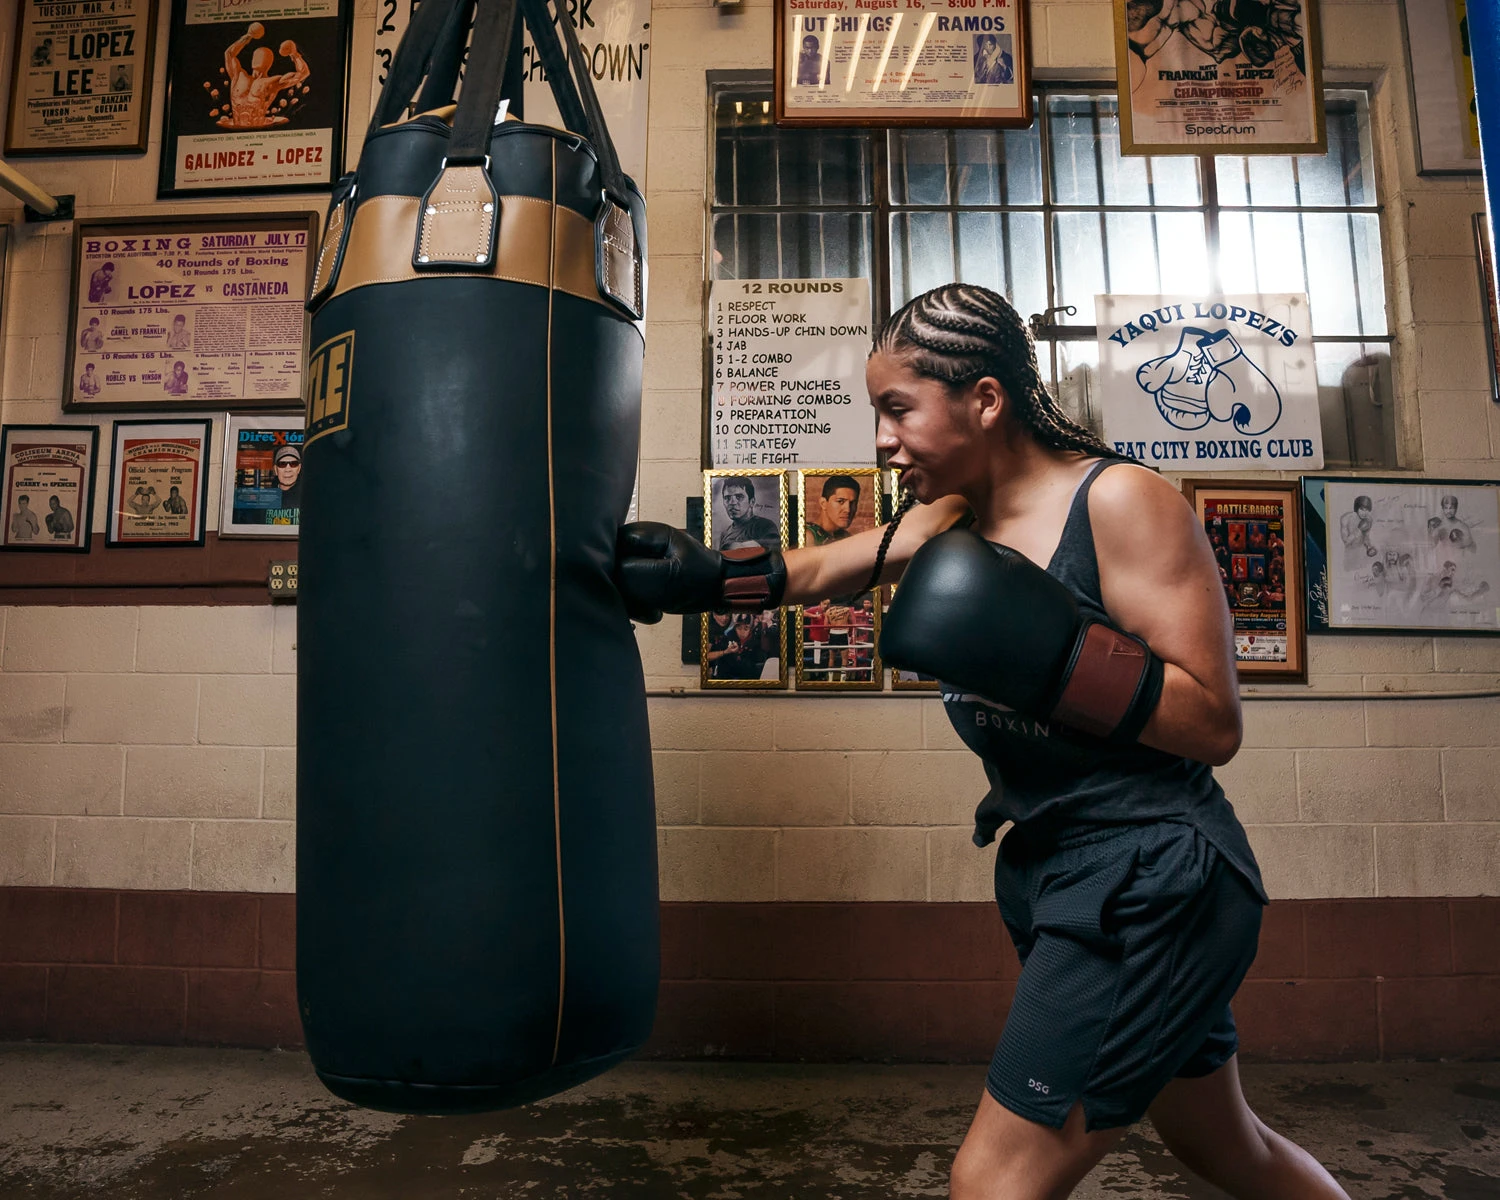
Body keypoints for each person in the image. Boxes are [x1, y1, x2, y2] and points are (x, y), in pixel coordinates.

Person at [615, 282, 1349, 1200]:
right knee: (1225, 1145)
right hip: (1056, 866)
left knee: (994, 1182)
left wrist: (1055, 659)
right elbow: (821, 568)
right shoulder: (954, 517)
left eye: (898, 410)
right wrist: (700, 579)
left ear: (986, 399)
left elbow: (1213, 722)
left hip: (1149, 877)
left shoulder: (1120, 501)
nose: (882, 439)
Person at [219, 21, 310, 129]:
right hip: (236, 131)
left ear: (269, 63)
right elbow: (229, 54)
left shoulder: (273, 83)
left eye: (263, 56)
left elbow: (304, 73)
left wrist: (294, 54)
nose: (258, 58)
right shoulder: (238, 76)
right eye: (256, 55)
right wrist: (248, 36)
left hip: (259, 131)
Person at [717, 477, 781, 552]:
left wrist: (737, 547)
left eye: (739, 497)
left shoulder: (765, 526)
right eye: (727, 498)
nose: (732, 502)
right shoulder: (725, 533)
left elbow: (776, 550)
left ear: (752, 502)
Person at [805, 475, 861, 546]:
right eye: (840, 501)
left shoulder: (845, 536)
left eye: (852, 503)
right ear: (823, 503)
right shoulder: (808, 536)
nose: (848, 510)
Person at [274, 444, 303, 509]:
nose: (288, 469)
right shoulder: (265, 498)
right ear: (275, 469)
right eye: (282, 464)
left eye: (293, 464)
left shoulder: (308, 497)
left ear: (299, 468)